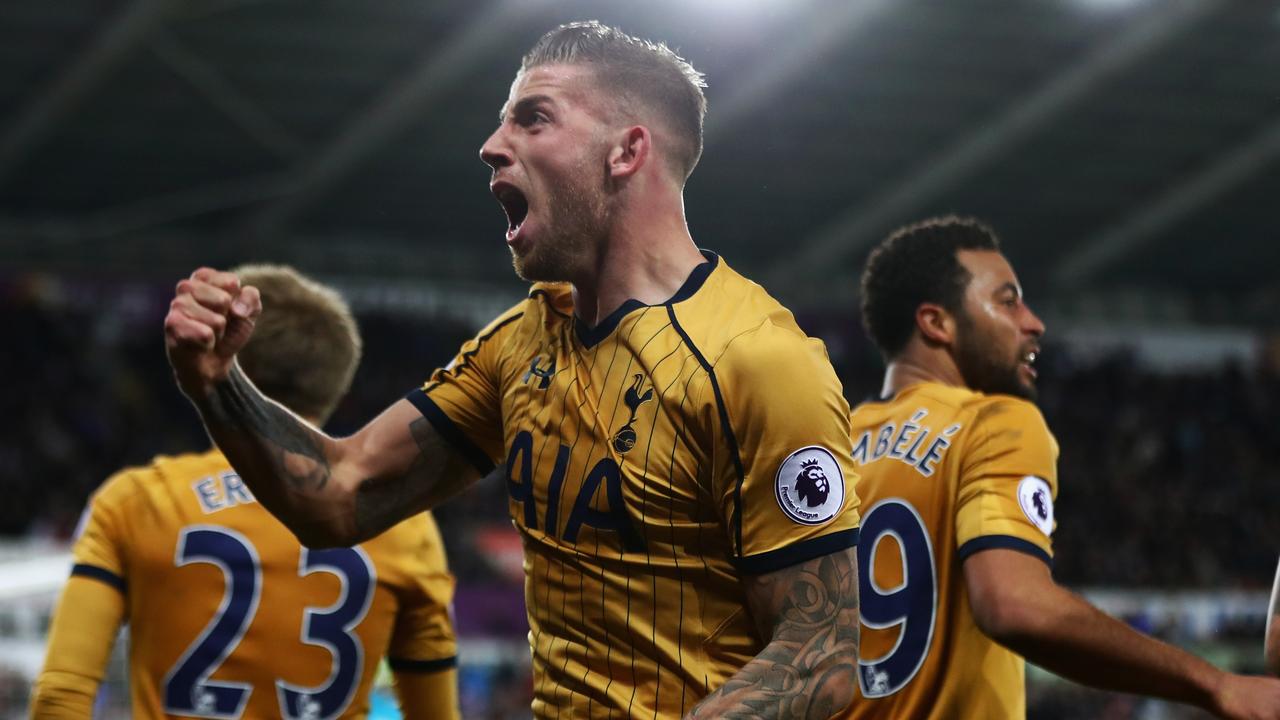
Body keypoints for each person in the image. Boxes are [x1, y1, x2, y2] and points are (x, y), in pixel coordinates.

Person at [161, 21, 863, 720]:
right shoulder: (524, 341)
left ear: (626, 151)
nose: (492, 147)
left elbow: (824, 652)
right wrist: (218, 382)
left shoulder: (757, 360)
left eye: (533, 118)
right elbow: (341, 494)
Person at [844, 215, 1280, 719]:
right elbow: (1015, 605)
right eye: (1008, 301)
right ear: (936, 323)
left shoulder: (829, 449)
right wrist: (1215, 684)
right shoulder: (993, 421)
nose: (1033, 321)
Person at [31, 265, 460, 720]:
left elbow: (59, 698)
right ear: (334, 385)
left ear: (229, 357)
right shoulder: (406, 526)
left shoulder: (136, 500)